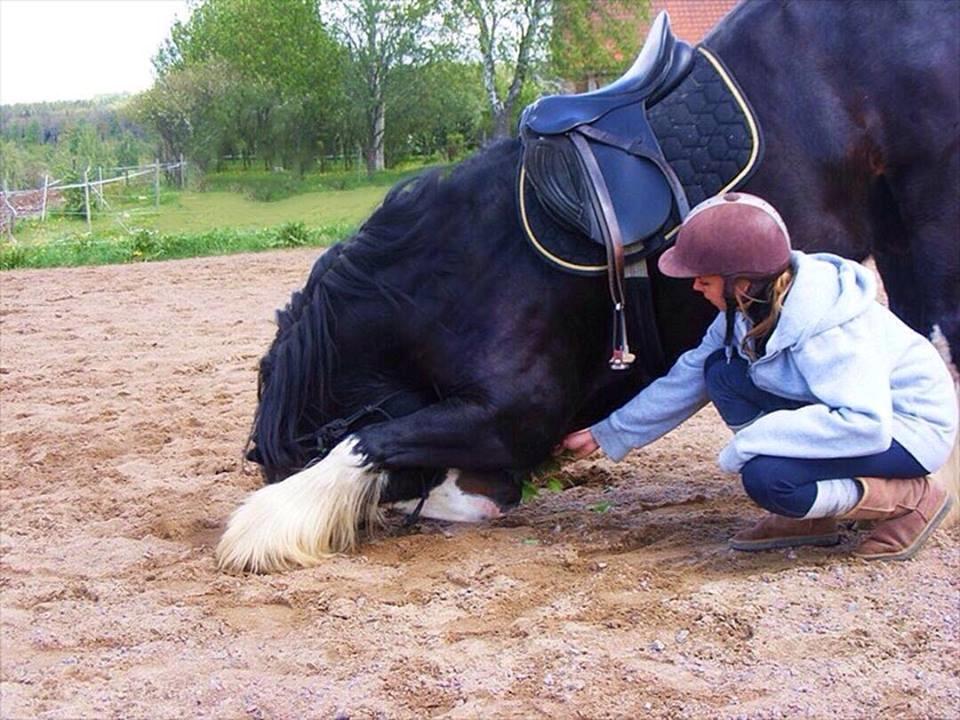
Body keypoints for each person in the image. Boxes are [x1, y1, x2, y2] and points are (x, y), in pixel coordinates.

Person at [562, 192, 958, 560]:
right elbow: (688, 377)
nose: (696, 286)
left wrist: (754, 443)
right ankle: (813, 514)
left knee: (771, 479)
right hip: (847, 415)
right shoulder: (746, 309)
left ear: (743, 282)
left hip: (904, 428)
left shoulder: (829, 331)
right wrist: (607, 432)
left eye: (705, 278)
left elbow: (865, 423)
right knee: (721, 372)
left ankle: (914, 498)